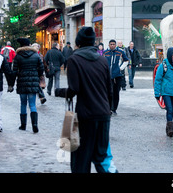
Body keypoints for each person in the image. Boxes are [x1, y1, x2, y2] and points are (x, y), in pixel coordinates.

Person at [55, 27, 117, 173]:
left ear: (78, 43)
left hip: (85, 116)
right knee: (102, 157)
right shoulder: (102, 60)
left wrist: (59, 92)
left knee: (81, 160)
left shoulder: (74, 60)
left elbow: (73, 90)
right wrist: (108, 109)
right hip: (103, 115)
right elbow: (110, 90)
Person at [9, 38, 44, 133]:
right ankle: (35, 125)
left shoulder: (18, 56)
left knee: (23, 104)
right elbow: (41, 68)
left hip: (22, 82)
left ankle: (23, 125)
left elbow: (14, 71)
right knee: (32, 104)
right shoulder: (35, 55)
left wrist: (11, 85)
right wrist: (38, 75)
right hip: (33, 82)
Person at [103, 39, 128, 115]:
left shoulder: (120, 52)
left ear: (115, 45)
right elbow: (102, 62)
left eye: (114, 44)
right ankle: (109, 108)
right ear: (108, 45)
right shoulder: (105, 53)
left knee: (116, 92)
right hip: (108, 76)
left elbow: (126, 61)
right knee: (109, 92)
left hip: (117, 76)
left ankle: (114, 109)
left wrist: (120, 68)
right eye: (111, 44)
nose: (112, 46)